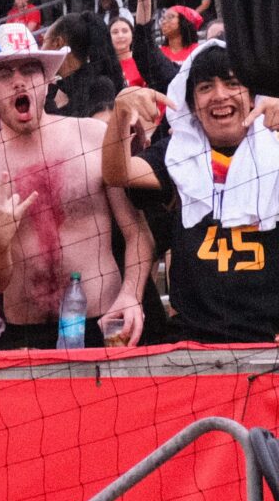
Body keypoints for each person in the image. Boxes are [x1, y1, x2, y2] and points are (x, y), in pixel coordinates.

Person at [0, 23, 154, 348]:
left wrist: (131, 295)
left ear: (47, 81)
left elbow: (137, 233)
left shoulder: (91, 136)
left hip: (103, 323)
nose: (18, 80)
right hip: (25, 336)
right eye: (3, 73)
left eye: (30, 70)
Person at [102, 42, 279, 343]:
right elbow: (118, 173)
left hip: (269, 338)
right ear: (192, 105)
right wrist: (120, 114)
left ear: (252, 97)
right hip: (192, 341)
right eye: (206, 87)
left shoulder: (274, 146)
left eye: (233, 83)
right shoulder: (178, 155)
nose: (220, 95)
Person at [41, 12, 125, 120]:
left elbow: (97, 133)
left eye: (44, 42)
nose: (41, 49)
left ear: (58, 43)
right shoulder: (50, 90)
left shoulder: (100, 86)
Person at [110, 18, 146, 89]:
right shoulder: (104, 65)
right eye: (115, 32)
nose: (120, 36)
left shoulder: (142, 60)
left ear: (132, 35)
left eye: (125, 31)